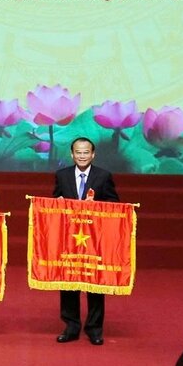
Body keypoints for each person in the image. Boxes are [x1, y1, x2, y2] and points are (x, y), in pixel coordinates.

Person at [53, 137, 119, 346]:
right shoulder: (62, 175)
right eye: (78, 152)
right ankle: (71, 326)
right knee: (68, 282)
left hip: (94, 238)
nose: (82, 156)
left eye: (86, 152)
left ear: (93, 154)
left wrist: (97, 205)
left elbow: (114, 203)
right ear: (72, 154)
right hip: (69, 237)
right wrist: (58, 203)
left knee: (94, 284)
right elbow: (55, 200)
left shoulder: (103, 176)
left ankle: (94, 329)